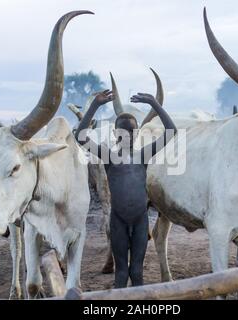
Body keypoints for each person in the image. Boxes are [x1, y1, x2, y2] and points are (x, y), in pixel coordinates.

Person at [75, 89, 177, 288]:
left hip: (140, 221)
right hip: (118, 221)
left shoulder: (144, 155)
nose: (128, 135)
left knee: (137, 273)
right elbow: (80, 137)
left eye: (131, 131)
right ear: (115, 134)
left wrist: (155, 104)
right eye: (123, 132)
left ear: (137, 133)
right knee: (121, 274)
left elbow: (171, 131)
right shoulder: (109, 156)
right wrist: (95, 105)